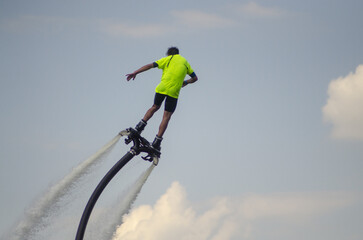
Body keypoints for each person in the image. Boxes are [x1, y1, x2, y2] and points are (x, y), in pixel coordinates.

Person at [126, 47, 198, 150]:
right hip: (174, 92)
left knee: (155, 107)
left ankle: (139, 127)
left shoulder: (168, 59)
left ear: (169, 54)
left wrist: (135, 72)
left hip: (162, 88)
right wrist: (186, 82)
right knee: (166, 116)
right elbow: (195, 78)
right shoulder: (185, 63)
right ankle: (157, 141)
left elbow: (149, 65)